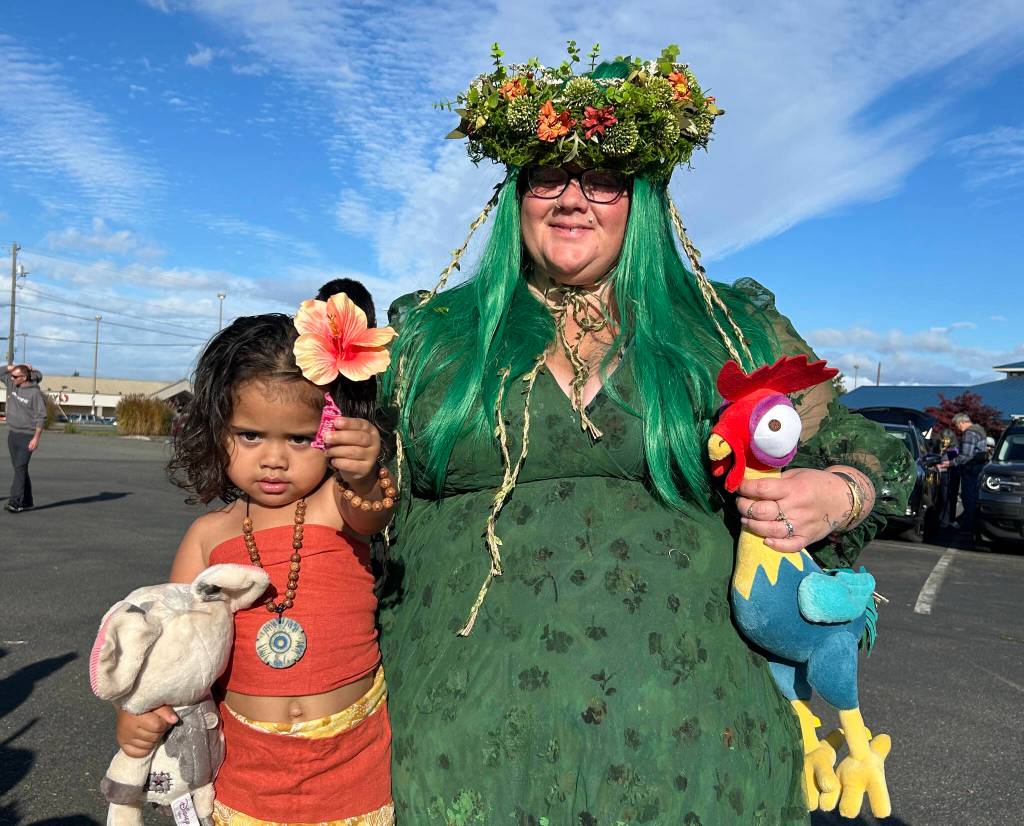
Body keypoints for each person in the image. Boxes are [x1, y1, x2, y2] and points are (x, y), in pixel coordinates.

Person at [378, 45, 913, 823]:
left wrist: (840, 491)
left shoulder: (723, 328)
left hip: (697, 756)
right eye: (546, 174)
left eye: (601, 177)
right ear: (515, 195)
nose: (571, 198)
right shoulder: (434, 336)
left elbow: (870, 446)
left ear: (644, 195)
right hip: (458, 752)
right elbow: (327, 485)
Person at [114, 304, 397, 824]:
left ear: (332, 430)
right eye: (250, 435)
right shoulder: (209, 534)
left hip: (354, 762)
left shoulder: (338, 502)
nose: (274, 458)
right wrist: (136, 713)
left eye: (299, 438)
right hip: (246, 767)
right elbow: (172, 648)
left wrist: (363, 472)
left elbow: (373, 512)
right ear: (217, 430)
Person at [3, 363, 46, 513]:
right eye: (12, 376)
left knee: (20, 468)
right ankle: (27, 500)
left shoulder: (35, 393)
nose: (12, 378)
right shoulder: (11, 383)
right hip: (13, 434)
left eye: (15, 376)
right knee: (20, 469)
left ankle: (15, 502)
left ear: (24, 377)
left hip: (27, 436)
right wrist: (9, 368)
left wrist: (36, 438)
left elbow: (41, 417)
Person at [940, 412, 989, 538]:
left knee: (969, 498)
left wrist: (949, 463)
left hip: (971, 470)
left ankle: (968, 527)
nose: (957, 429)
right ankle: (971, 526)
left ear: (962, 422)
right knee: (973, 497)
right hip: (979, 468)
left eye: (956, 425)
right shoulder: (979, 430)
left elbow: (965, 456)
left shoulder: (969, 433)